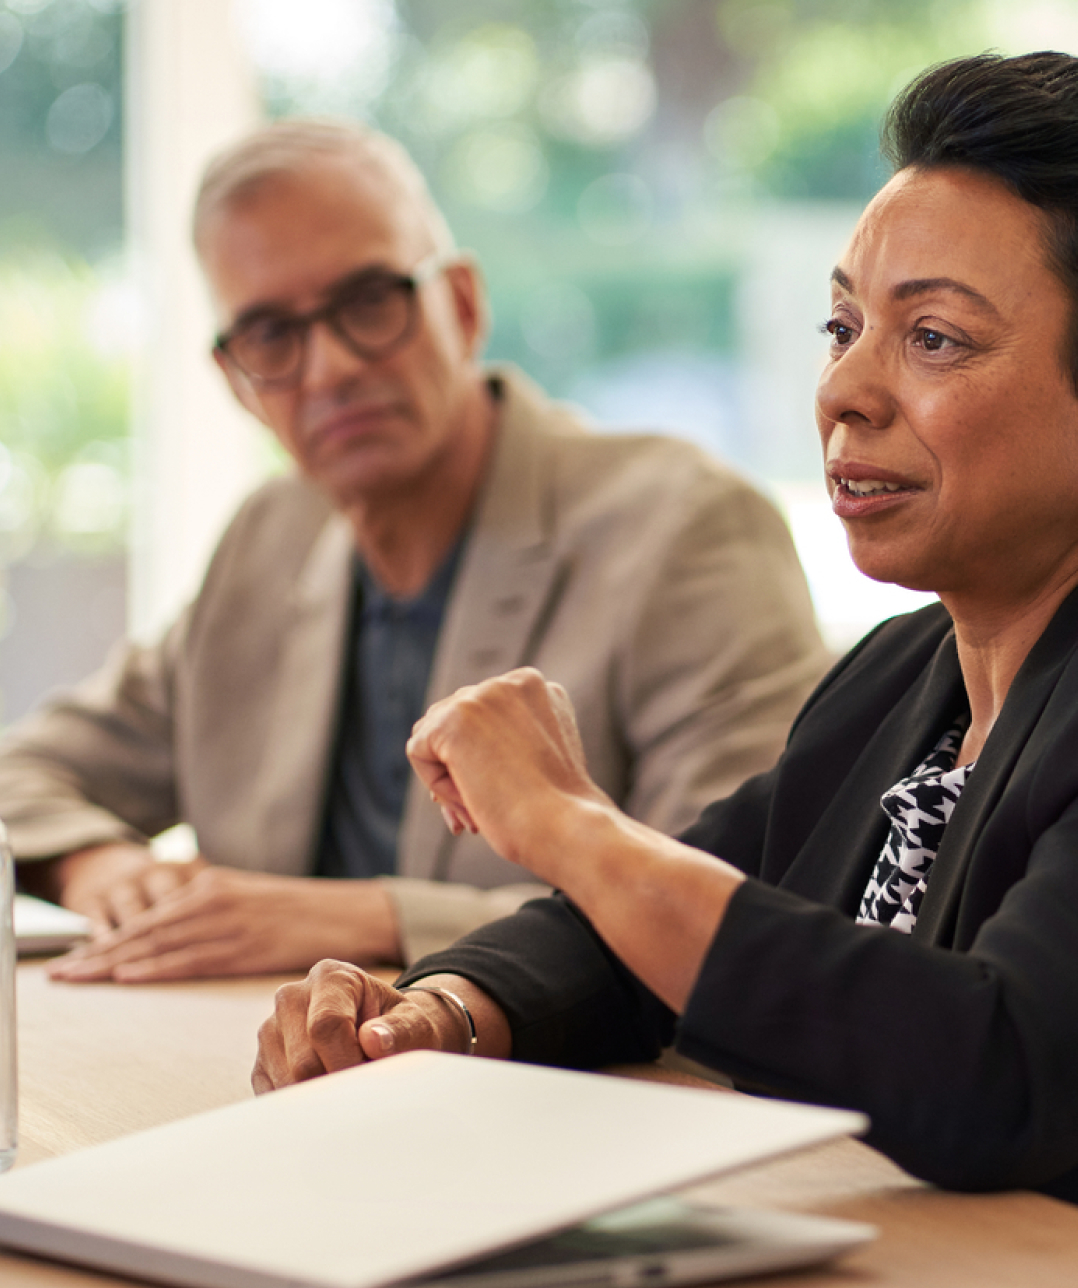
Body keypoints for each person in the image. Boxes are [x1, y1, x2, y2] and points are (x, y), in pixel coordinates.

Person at [253, 54, 1078, 1288]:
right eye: (843, 325)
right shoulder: (910, 671)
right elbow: (661, 926)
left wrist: (568, 820)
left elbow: (991, 1072)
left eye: (933, 338)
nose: (847, 393)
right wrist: (435, 1015)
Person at [0, 118, 829, 980]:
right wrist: (102, 868)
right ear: (237, 382)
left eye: (368, 302)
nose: (328, 370)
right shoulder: (266, 540)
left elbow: (738, 903)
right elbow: (22, 775)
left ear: (463, 304)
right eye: (271, 336)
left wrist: (369, 919)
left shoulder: (686, 528)